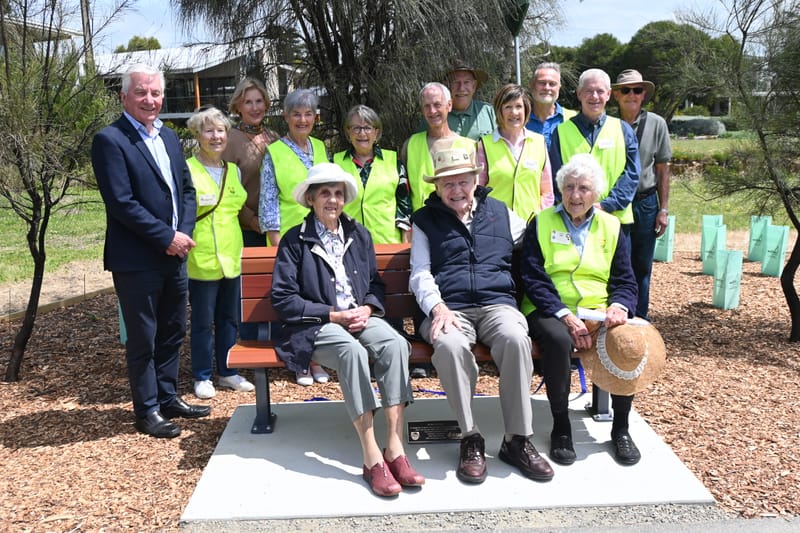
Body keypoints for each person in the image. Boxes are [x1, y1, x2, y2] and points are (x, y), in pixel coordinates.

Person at [270, 163, 424, 497]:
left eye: (338, 193)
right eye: (325, 193)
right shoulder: (295, 240)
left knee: (396, 344)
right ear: (310, 199)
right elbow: (283, 299)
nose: (333, 200)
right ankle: (372, 456)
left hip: (359, 318)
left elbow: (374, 285)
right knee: (351, 352)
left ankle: (395, 448)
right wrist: (333, 315)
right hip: (316, 325)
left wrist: (367, 308)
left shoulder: (359, 234)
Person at [409, 143, 554, 484]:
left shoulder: (501, 212)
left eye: (463, 181)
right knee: (450, 346)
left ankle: (517, 439)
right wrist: (438, 308)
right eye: (448, 183)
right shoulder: (424, 221)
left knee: (516, 339)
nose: (456, 189)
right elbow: (420, 273)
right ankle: (470, 436)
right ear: (436, 187)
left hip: (497, 304)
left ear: (476, 180)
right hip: (450, 308)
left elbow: (535, 244)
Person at [91, 63, 210, 438]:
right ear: (124, 96)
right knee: (143, 336)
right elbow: (121, 203)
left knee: (173, 330)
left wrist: (183, 233)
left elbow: (186, 191)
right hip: (137, 259)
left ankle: (167, 397)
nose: (149, 99)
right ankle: (146, 411)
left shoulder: (170, 137)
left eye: (155, 93)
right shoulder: (110, 140)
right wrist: (166, 237)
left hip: (175, 253)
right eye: (141, 92)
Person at [519, 154, 640, 466]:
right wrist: (566, 315)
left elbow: (625, 279)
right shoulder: (541, 222)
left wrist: (618, 306)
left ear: (595, 192)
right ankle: (561, 425)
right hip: (548, 307)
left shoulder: (611, 226)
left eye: (583, 188)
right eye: (569, 187)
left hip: (597, 308)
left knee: (627, 341)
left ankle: (621, 428)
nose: (575, 195)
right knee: (558, 340)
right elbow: (533, 277)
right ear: (560, 190)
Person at [259, 88, 330, 385]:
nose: (303, 120)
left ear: (315, 117)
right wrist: (276, 244)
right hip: (288, 241)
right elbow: (268, 202)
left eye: (308, 114)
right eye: (296, 114)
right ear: (286, 117)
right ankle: (299, 361)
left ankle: (317, 358)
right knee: (294, 300)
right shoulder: (274, 152)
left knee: (318, 296)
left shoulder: (321, 148)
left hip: (321, 236)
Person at [185, 107, 255, 399]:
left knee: (229, 319)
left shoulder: (233, 171)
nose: (216, 136)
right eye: (209, 130)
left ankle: (228, 371)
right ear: (197, 134)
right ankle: (202, 376)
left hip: (232, 256)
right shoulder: (187, 169)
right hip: (201, 257)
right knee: (203, 322)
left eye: (221, 130)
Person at [612, 69, 672, 320]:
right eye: (625, 90)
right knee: (616, 264)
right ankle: (617, 318)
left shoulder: (657, 123)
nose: (632, 95)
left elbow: (663, 169)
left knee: (642, 267)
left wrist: (663, 209)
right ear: (616, 94)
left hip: (645, 203)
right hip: (615, 204)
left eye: (637, 90)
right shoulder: (607, 124)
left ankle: (640, 319)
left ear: (644, 94)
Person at [549, 68, 640, 227]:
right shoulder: (561, 132)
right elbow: (556, 177)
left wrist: (607, 205)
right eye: (589, 91)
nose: (595, 96)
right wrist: (578, 208)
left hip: (615, 219)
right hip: (573, 220)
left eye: (600, 91)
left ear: (608, 94)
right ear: (579, 94)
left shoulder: (623, 130)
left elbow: (632, 174)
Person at [333, 104, 412, 243]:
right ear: (348, 132)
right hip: (348, 244)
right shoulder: (335, 164)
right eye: (356, 128)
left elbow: (404, 205)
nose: (362, 133)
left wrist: (405, 241)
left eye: (367, 128)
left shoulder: (394, 162)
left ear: (376, 132)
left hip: (387, 244)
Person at [476, 83, 554, 221]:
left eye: (518, 106)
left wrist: (537, 218)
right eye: (508, 107)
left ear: (526, 109)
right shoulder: (484, 145)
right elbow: (477, 192)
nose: (514, 112)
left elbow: (547, 193)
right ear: (499, 111)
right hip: (496, 226)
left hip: (531, 226)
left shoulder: (539, 142)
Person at [222, 77, 279, 247]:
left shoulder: (274, 138)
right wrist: (250, 219)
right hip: (247, 231)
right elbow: (226, 189)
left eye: (259, 101)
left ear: (266, 104)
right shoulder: (229, 141)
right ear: (238, 107)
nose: (255, 108)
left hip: (276, 228)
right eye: (248, 102)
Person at [401, 82, 475, 212]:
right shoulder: (410, 144)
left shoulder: (469, 146)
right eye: (427, 106)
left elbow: (475, 191)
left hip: (457, 221)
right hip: (421, 222)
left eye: (437, 105)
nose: (432, 111)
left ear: (449, 105)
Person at [526, 62, 576, 149]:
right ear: (531, 84)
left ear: (559, 87)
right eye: (542, 83)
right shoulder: (519, 119)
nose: (547, 88)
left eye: (552, 84)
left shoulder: (574, 119)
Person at [444, 60, 497, 140]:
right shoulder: (436, 115)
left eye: (466, 82)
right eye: (455, 82)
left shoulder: (490, 113)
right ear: (447, 85)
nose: (461, 88)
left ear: (474, 86)